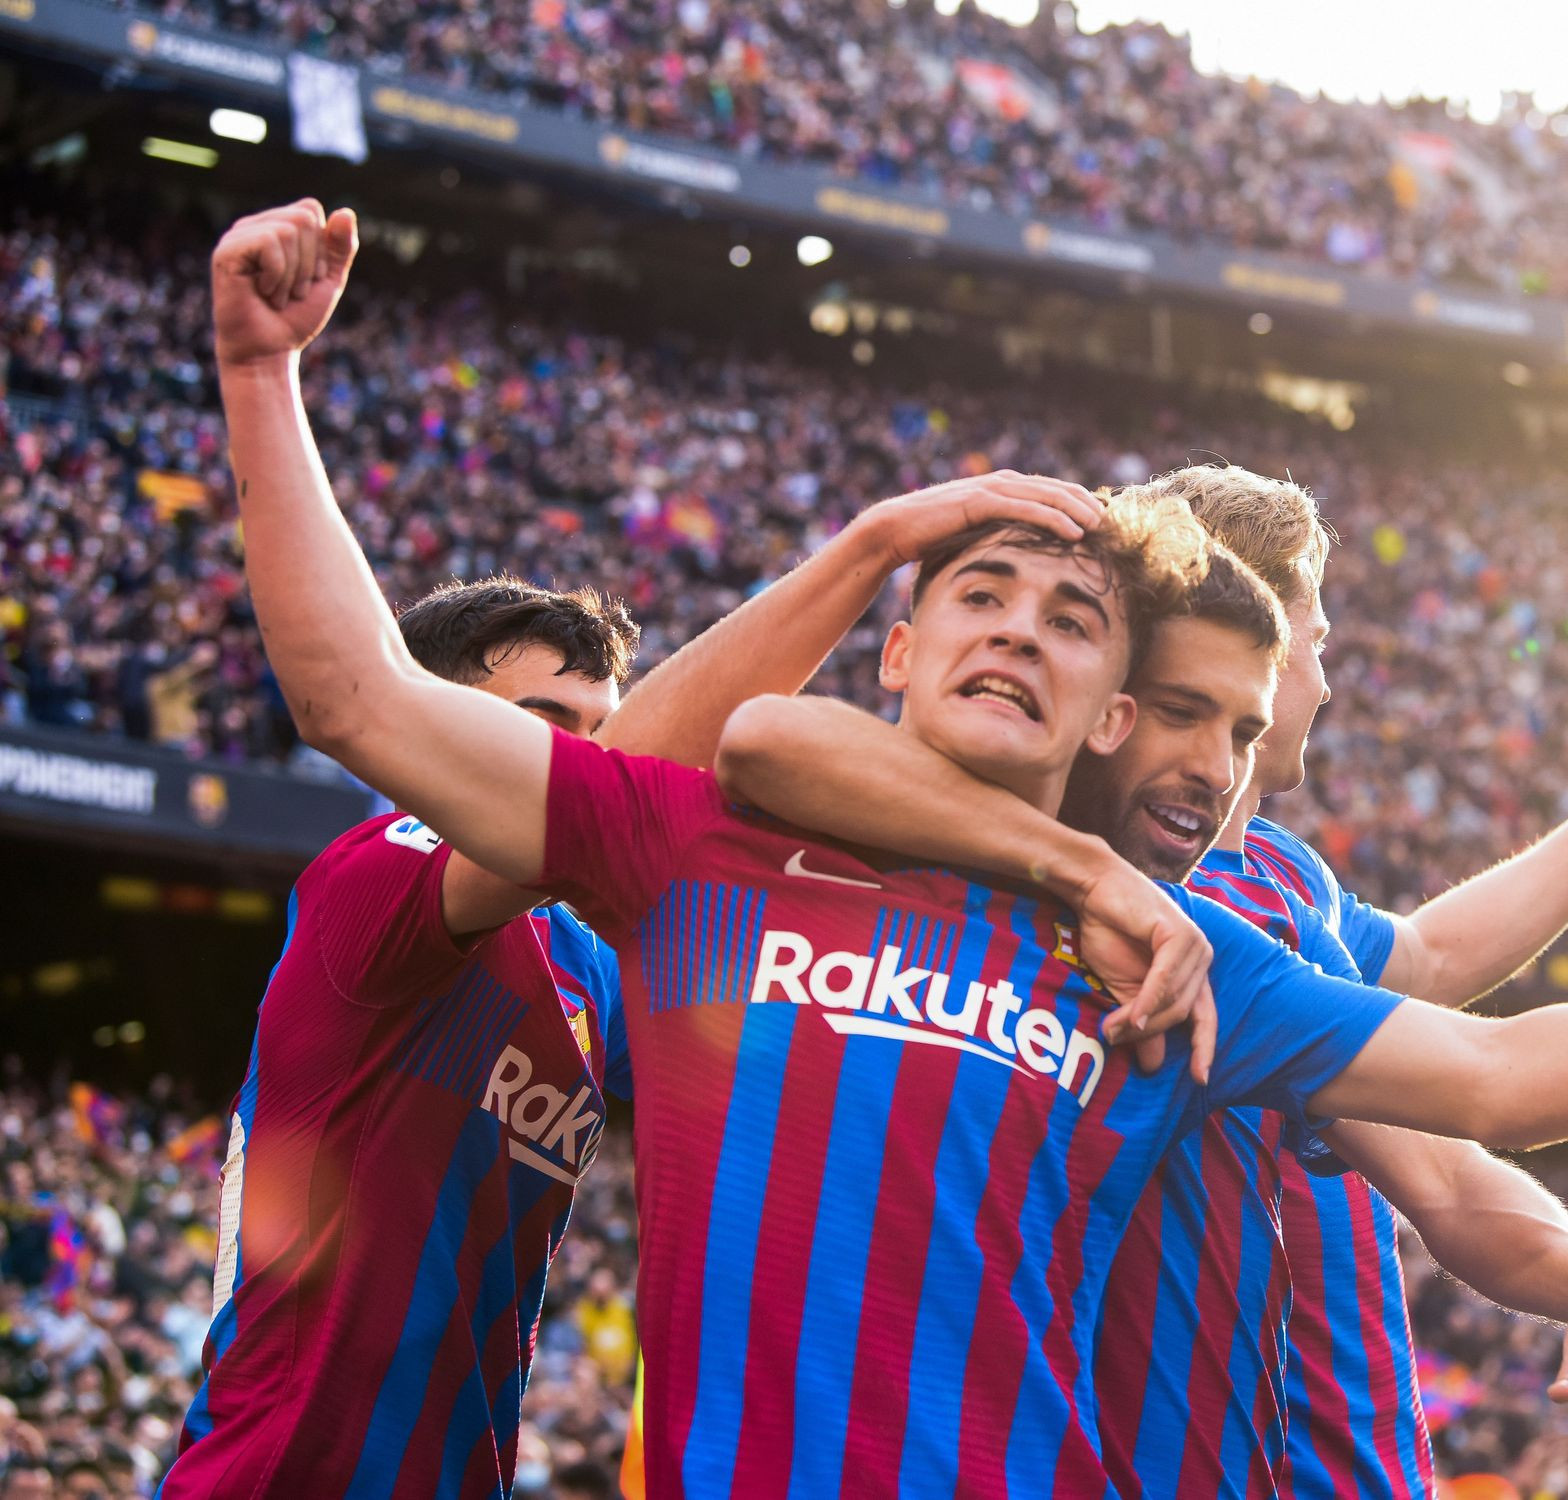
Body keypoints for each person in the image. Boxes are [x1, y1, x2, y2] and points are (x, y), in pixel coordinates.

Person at [217, 196, 1568, 1494]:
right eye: (980, 594)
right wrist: (261, 374)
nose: (1021, 633)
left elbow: (1485, 1081)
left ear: (1109, 708)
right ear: (894, 646)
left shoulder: (1180, 958)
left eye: (1070, 621)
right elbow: (362, 697)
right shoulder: (700, 859)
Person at [179, 197, 1114, 1500]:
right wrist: (875, 551)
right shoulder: (380, 881)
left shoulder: (593, 965)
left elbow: (798, 893)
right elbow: (368, 698)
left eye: (594, 729)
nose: (583, 756)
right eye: (542, 730)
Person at [722, 474, 1568, 1490]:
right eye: (1318, 642)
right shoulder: (1121, 909)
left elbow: (1429, 973)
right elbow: (767, 740)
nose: (1325, 685)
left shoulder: (1268, 884)